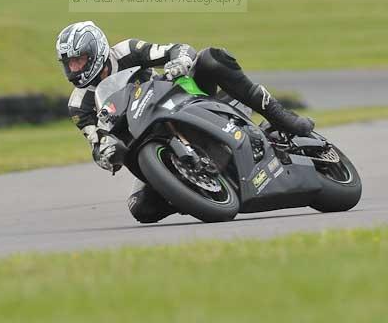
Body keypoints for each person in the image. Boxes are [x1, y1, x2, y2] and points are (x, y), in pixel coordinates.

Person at [56, 20, 314, 223]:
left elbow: (177, 49)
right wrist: (104, 153)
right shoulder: (78, 105)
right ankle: (196, 190)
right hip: (143, 140)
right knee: (141, 209)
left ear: (97, 51)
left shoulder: (126, 51)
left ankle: (282, 118)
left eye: (79, 59)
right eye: (69, 63)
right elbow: (96, 140)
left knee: (211, 58)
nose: (75, 68)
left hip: (178, 99)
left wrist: (179, 61)